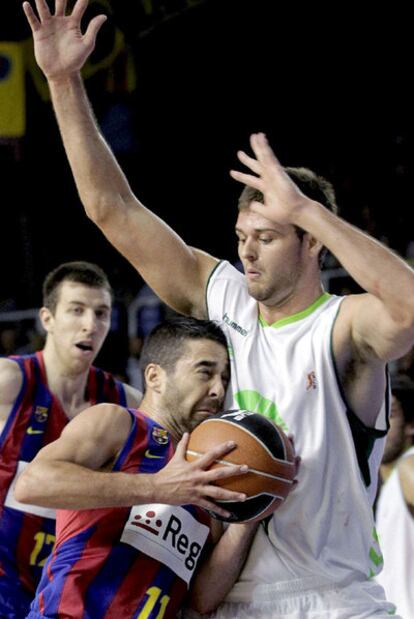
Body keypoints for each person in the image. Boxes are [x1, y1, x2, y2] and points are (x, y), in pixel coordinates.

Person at [23, 1, 414, 616]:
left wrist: (308, 208)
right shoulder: (226, 296)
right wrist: (64, 83)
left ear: (312, 242)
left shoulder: (343, 326)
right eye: (241, 237)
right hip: (228, 596)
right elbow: (113, 211)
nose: (247, 252)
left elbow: (410, 308)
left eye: (269, 236)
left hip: (333, 597)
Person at [15, 316, 256, 619]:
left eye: (224, 378)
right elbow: (32, 484)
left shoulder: (205, 477)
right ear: (155, 377)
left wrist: (249, 517)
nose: (218, 390)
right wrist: (159, 487)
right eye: (204, 373)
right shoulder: (118, 423)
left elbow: (200, 600)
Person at [0, 260, 142, 618]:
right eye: (76, 310)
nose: (90, 325)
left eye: (101, 313)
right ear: (47, 318)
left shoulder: (126, 402)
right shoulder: (9, 381)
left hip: (66, 589)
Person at [375, 377, 414, 618]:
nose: (378, 427)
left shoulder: (409, 466)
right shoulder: (373, 487)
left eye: (389, 415)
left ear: (411, 425)